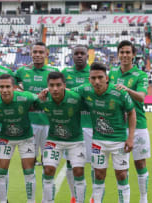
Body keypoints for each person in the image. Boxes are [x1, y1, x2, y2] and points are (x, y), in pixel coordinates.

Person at [74, 62, 136, 203]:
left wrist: (130, 137)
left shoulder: (119, 92)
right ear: (89, 79)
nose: (97, 81)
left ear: (107, 78)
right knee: (99, 175)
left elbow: (132, 112)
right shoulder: (85, 89)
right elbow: (67, 93)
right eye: (93, 78)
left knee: (121, 175)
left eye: (100, 77)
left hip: (119, 140)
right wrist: (47, 90)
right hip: (99, 141)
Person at [109, 40, 150, 203]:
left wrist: (127, 90)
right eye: (122, 52)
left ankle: (143, 199)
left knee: (140, 164)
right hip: (117, 126)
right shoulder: (112, 73)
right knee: (121, 169)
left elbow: (141, 97)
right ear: (118, 54)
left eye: (128, 52)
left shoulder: (140, 75)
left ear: (133, 55)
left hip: (138, 125)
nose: (125, 55)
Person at [36, 72, 86, 203]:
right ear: (47, 86)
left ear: (64, 85)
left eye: (58, 85)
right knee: (48, 170)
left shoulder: (75, 98)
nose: (55, 89)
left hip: (75, 141)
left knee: (79, 171)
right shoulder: (43, 99)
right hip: (54, 140)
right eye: (51, 85)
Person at [0, 74, 37, 203]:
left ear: (14, 87)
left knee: (29, 171)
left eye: (8, 87)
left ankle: (31, 201)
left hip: (26, 138)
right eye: (2, 87)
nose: (4, 90)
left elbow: (42, 97)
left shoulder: (25, 97)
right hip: (5, 139)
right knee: (1, 172)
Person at [15, 42, 58, 165]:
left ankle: (47, 183)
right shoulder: (22, 71)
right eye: (35, 52)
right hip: (29, 122)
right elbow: (11, 83)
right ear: (31, 54)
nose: (37, 55)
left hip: (48, 121)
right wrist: (22, 92)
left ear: (46, 54)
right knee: (30, 161)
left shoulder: (53, 71)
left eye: (41, 52)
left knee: (48, 162)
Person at [61, 45, 93, 203]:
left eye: (82, 54)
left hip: (91, 125)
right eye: (76, 54)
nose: (79, 56)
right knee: (70, 162)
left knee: (94, 162)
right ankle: (73, 196)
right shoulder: (65, 73)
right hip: (71, 125)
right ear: (72, 56)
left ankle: (94, 197)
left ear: (88, 56)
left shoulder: (93, 73)